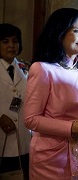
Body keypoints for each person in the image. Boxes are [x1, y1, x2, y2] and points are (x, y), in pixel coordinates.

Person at [23, 8, 78, 179]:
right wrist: (74, 127)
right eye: (77, 31)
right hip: (50, 158)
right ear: (60, 33)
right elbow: (31, 119)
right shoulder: (42, 69)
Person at [0, 23, 31, 180]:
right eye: (5, 42)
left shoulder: (27, 68)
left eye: (15, 41)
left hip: (23, 140)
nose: (11, 46)